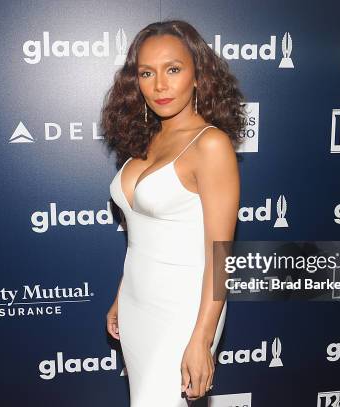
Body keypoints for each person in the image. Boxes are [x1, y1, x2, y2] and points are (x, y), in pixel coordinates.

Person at [101, 20, 246, 406]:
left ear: (199, 75)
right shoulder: (148, 136)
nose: (160, 85)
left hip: (182, 312)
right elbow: (142, 236)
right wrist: (121, 296)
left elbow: (222, 256)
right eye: (147, 73)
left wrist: (201, 338)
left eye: (174, 69)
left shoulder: (211, 145)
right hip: (137, 302)